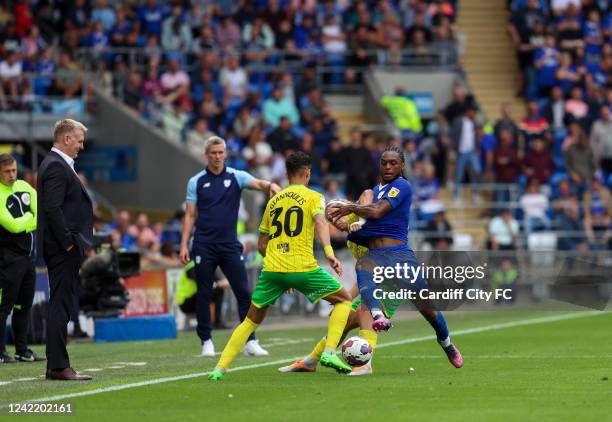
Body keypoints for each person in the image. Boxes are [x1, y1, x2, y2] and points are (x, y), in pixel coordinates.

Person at [208, 151, 354, 381]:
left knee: (249, 321)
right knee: (344, 300)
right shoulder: (313, 196)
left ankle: (219, 368)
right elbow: (320, 221)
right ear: (307, 173)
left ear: (286, 174)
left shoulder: (273, 201)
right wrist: (329, 253)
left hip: (273, 270)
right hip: (303, 267)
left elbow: (261, 244)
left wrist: (279, 271)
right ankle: (329, 352)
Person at [327, 146, 463, 367]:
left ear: (402, 166)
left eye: (393, 163)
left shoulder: (402, 186)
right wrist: (345, 223)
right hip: (376, 255)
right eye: (384, 163)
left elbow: (378, 211)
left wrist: (350, 209)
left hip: (399, 255)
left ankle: (446, 343)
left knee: (428, 309)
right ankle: (378, 316)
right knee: (362, 267)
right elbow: (361, 222)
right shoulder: (372, 192)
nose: (388, 167)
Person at [180, 136, 281, 357]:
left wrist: (270, 185)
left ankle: (250, 340)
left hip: (229, 245)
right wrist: (183, 244)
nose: (217, 156)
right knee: (204, 294)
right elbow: (189, 215)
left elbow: (258, 183)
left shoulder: (237, 176)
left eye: (221, 152)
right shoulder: (196, 181)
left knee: (244, 292)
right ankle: (206, 341)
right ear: (206, 154)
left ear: (226, 154)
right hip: (203, 244)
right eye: (213, 153)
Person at [37, 119, 93, 381]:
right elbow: (52, 208)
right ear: (66, 138)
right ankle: (59, 366)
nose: (81, 146)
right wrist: (69, 242)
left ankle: (54, 365)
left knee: (62, 302)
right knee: (61, 304)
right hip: (63, 249)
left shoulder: (57, 165)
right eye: (79, 140)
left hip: (64, 247)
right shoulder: (56, 167)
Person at [0, 154, 44, 363]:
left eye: (14, 170)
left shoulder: (24, 186)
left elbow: (41, 212)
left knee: (23, 306)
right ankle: (0, 352)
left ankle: (22, 350)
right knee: (4, 307)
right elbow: (13, 226)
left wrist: (26, 220)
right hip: (7, 260)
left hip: (28, 259)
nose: (11, 175)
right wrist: (30, 218)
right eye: (7, 172)